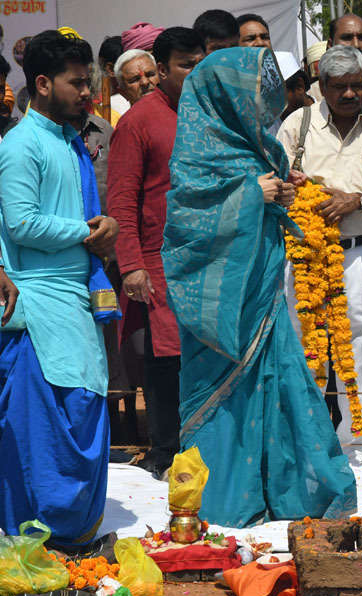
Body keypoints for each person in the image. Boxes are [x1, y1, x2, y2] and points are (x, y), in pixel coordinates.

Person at [162, 46, 356, 527]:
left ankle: (283, 488)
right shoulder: (198, 147)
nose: (264, 106)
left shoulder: (261, 144)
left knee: (276, 380)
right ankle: (225, 497)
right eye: (254, 96)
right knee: (226, 390)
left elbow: (269, 196)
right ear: (224, 96)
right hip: (221, 302)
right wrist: (254, 193)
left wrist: (280, 190)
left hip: (262, 287)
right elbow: (187, 221)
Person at [0, 30, 119, 547]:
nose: (87, 93)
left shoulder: (69, 144)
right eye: (76, 84)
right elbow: (22, 225)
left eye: (88, 82)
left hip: (72, 298)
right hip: (38, 304)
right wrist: (88, 232)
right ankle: (38, 539)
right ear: (43, 84)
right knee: (46, 426)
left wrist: (102, 228)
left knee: (83, 408)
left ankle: (69, 536)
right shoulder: (23, 144)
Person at [276, 45, 362, 464]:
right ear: (322, 87)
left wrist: (358, 201)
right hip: (302, 254)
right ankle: (308, 445)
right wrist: (296, 189)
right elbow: (271, 184)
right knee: (304, 346)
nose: (350, 94)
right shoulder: (297, 124)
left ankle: (358, 448)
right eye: (340, 87)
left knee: (361, 346)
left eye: (357, 86)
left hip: (359, 253)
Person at [108, 27, 204, 479]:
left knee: (204, 356)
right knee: (165, 360)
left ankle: (204, 448)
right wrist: (131, 265)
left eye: (200, 62)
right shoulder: (138, 121)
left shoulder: (210, 111)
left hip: (208, 256)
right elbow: (123, 200)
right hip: (158, 258)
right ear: (162, 70)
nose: (196, 72)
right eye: (186, 64)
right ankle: (165, 452)